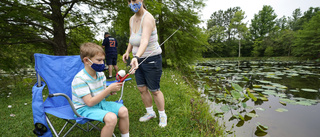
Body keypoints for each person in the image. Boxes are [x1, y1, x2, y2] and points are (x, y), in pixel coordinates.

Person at [122, 0, 167, 127]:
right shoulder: (131, 19)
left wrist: (136, 56)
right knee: (141, 88)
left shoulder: (148, 18)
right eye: (129, 1)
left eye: (134, 0)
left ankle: (162, 115)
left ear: (141, 0)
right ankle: (150, 112)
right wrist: (127, 52)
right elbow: (132, 38)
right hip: (138, 58)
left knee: (155, 90)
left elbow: (144, 40)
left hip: (151, 58)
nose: (132, 3)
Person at [72, 42, 129, 137]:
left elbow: (101, 94)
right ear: (86, 60)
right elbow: (89, 102)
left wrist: (110, 92)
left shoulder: (100, 75)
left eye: (103, 60)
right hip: (84, 108)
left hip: (99, 103)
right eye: (99, 60)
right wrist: (108, 90)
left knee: (123, 111)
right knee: (111, 118)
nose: (102, 63)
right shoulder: (80, 79)